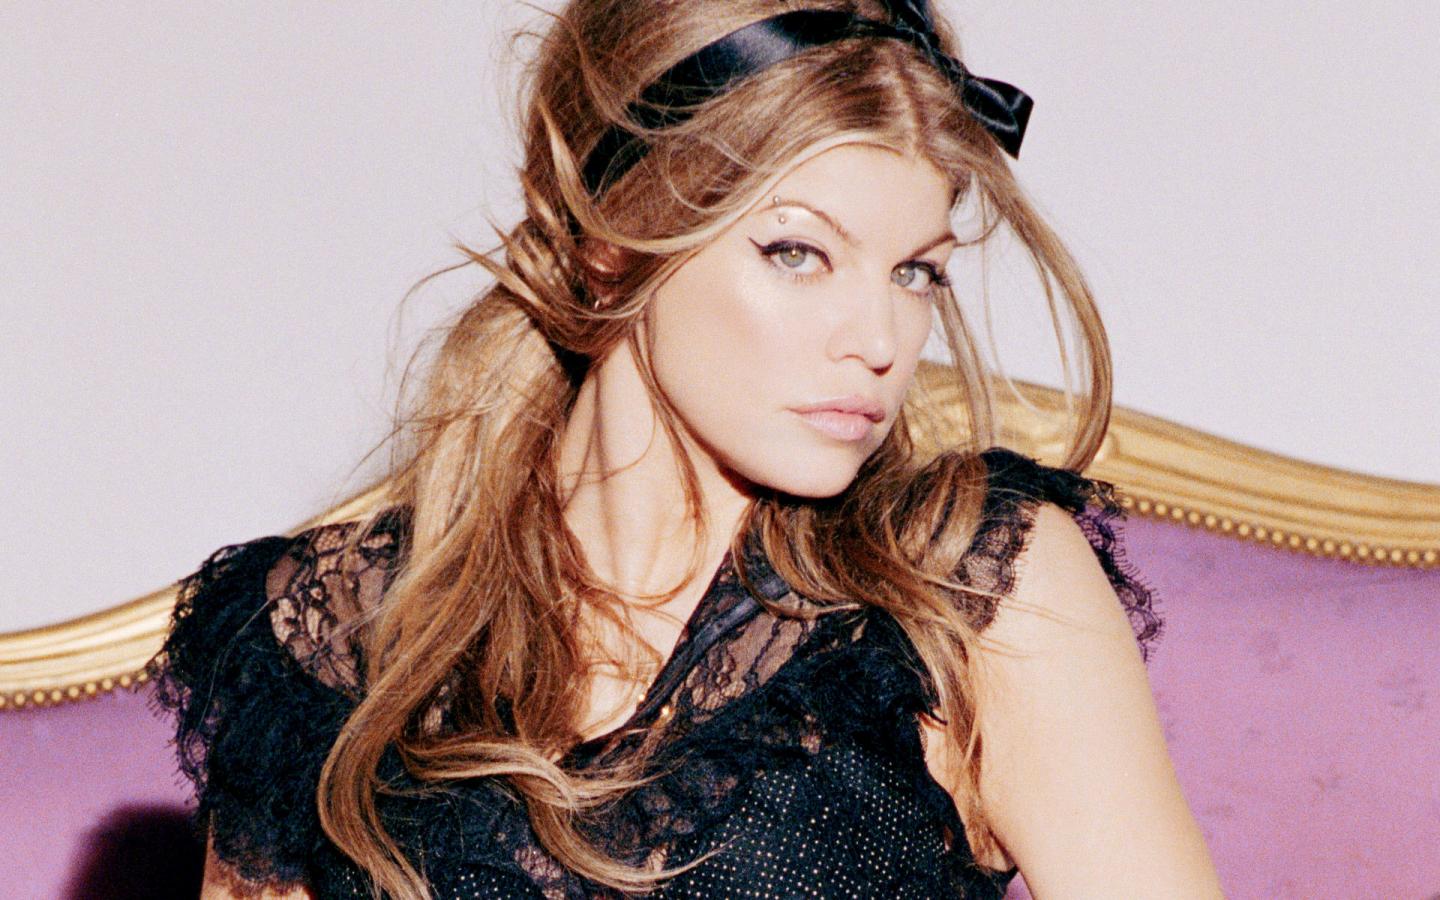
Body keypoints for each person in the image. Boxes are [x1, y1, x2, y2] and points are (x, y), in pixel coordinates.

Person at [149, 1, 1222, 897]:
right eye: (798, 252)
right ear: (611, 242)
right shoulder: (324, 642)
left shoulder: (966, 588)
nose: (882, 340)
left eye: (915, 272)